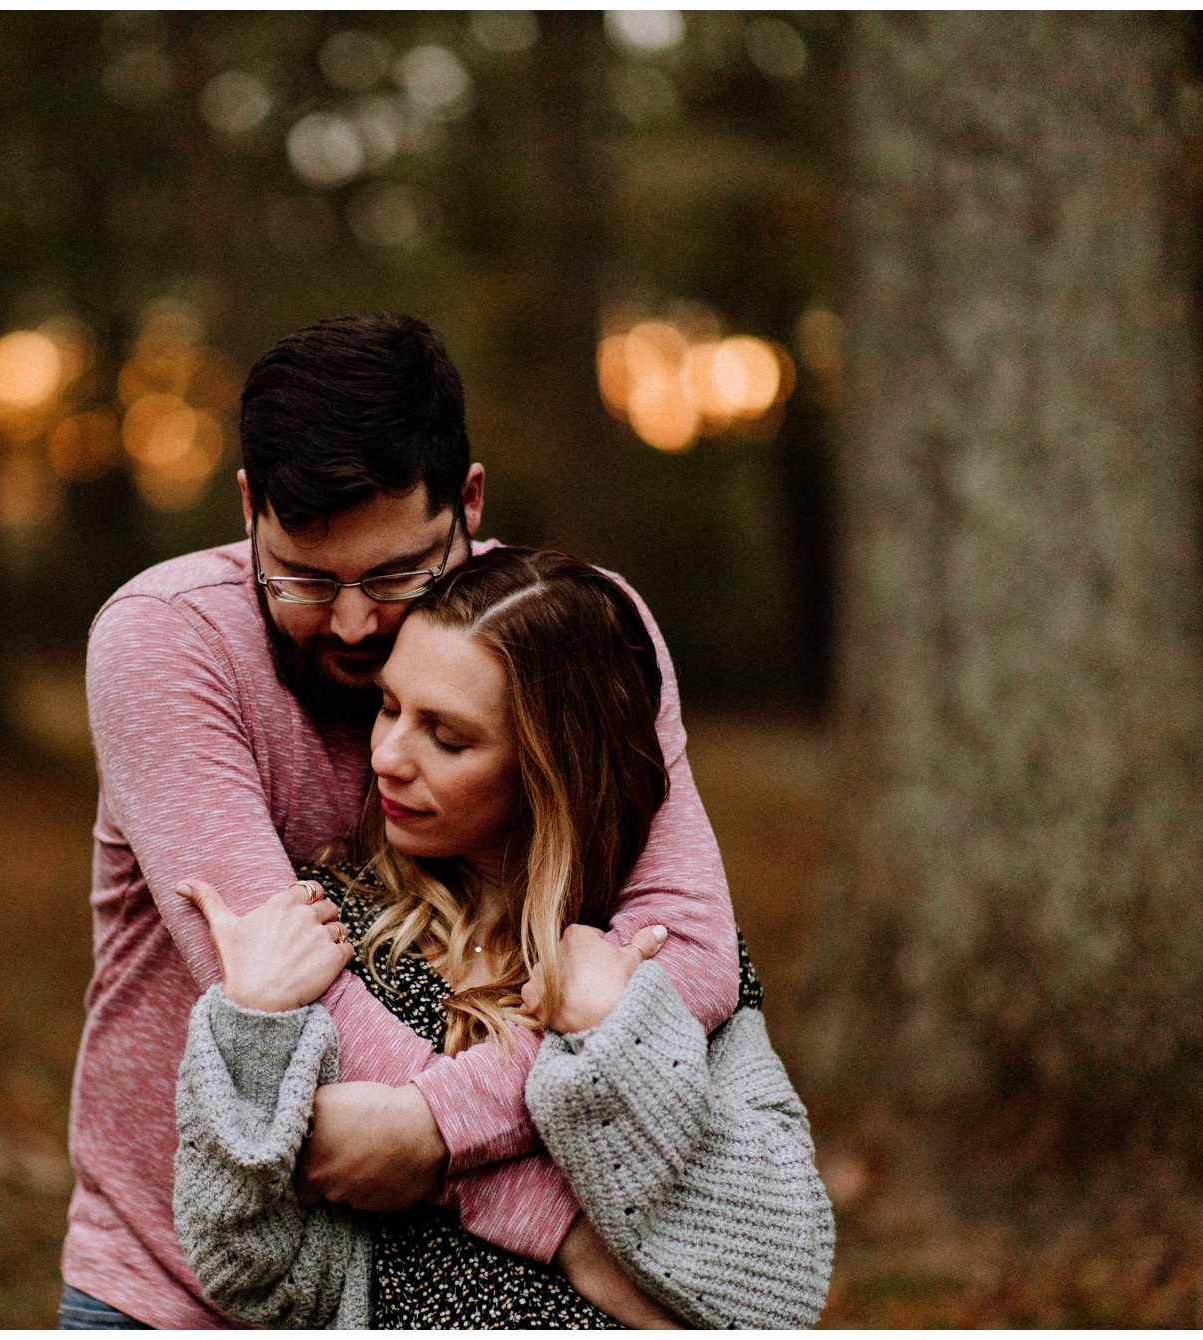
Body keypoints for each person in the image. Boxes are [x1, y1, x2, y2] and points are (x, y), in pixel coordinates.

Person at [61, 316, 741, 1328]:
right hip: (181, 1287)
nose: (352, 624)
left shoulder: (578, 631)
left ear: (469, 500)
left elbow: (689, 949)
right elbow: (298, 1016)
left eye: (392, 576)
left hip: (482, 1304)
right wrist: (557, 1226)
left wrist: (434, 1125)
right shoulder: (165, 642)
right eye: (302, 577)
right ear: (248, 509)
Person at [170, 549, 835, 1328]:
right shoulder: (334, 936)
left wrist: (614, 1035)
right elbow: (245, 1270)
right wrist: (251, 1028)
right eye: (388, 707)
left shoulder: (646, 956)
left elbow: (780, 1282)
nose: (386, 757)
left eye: (447, 738)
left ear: (551, 767)